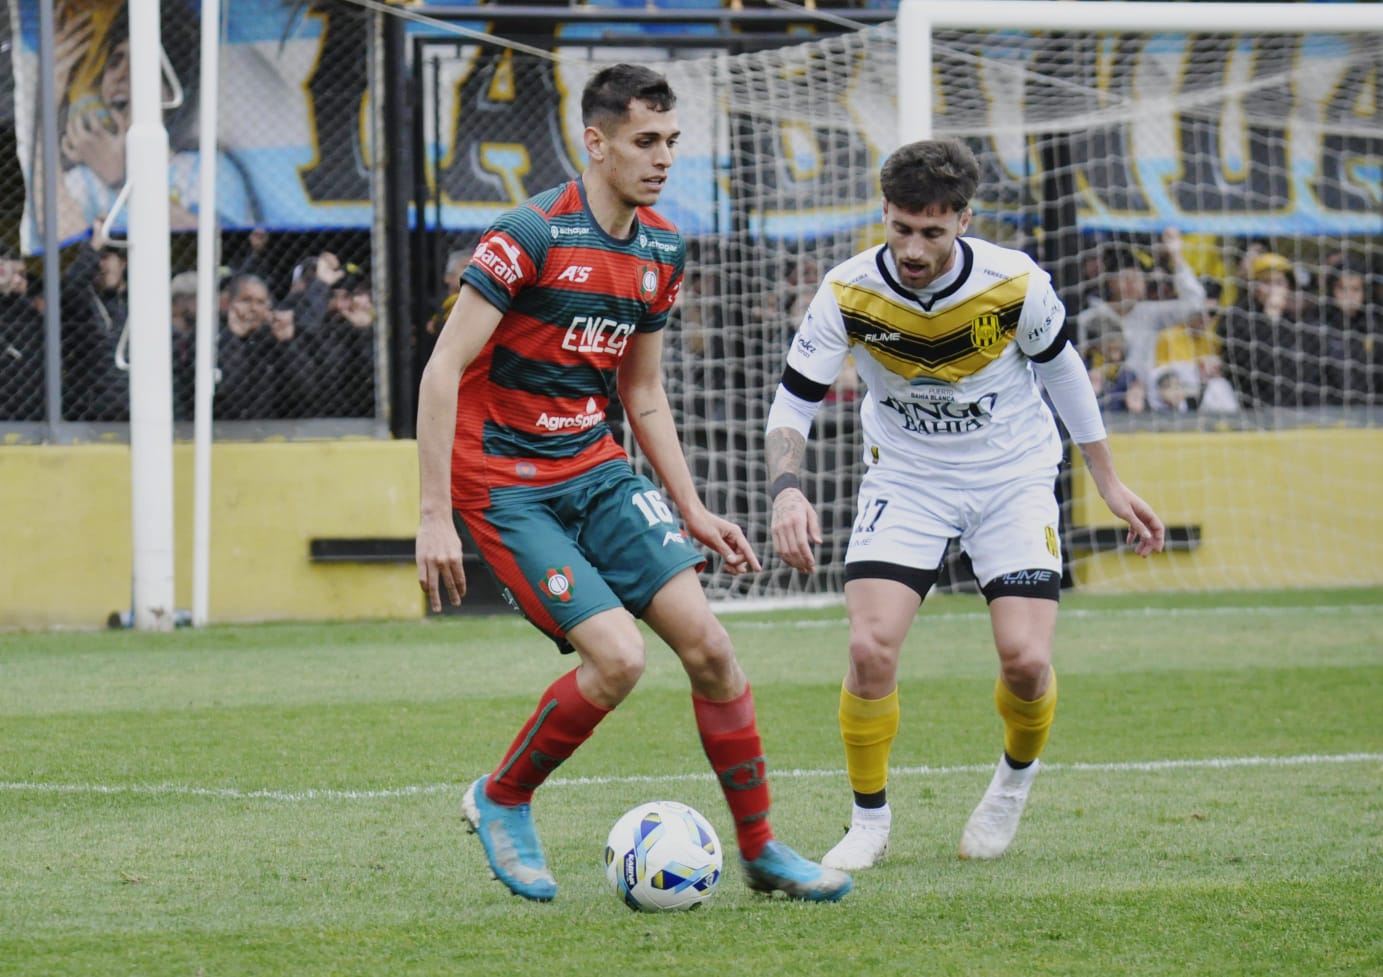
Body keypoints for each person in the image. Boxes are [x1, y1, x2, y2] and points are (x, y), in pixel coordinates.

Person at [413, 63, 852, 905]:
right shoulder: (528, 234)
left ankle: (761, 849)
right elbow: (441, 370)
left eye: (671, 141)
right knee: (617, 658)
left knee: (711, 648)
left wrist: (692, 507)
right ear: (596, 142)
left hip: (596, 467)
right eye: (645, 141)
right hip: (504, 482)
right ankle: (503, 795)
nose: (662, 158)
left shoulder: (660, 249)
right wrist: (435, 515)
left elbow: (641, 390)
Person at [764, 139, 1166, 871]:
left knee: (1025, 660)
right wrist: (786, 490)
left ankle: (1012, 782)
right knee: (868, 648)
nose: (913, 248)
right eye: (900, 228)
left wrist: (1108, 481)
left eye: (931, 231)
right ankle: (868, 821)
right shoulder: (847, 291)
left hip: (1012, 477)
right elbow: (793, 401)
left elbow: (1065, 374)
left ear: (963, 220)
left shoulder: (1014, 283)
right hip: (907, 480)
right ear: (884, 213)